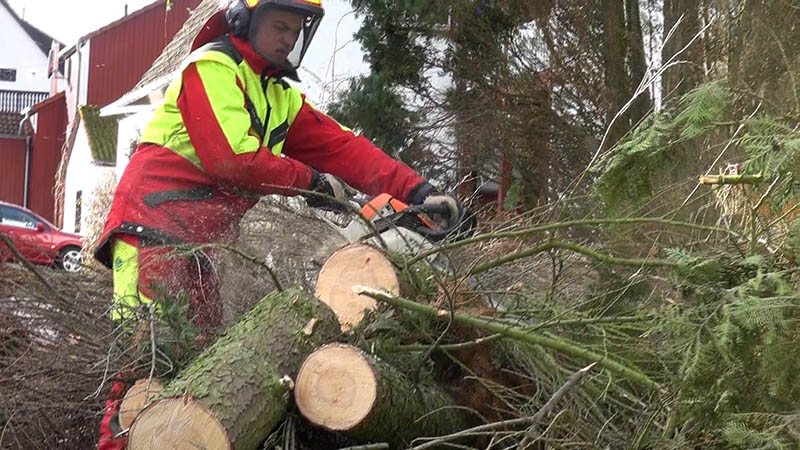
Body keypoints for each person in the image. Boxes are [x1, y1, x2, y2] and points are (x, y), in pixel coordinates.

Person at [94, 0, 466, 448]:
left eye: (295, 29)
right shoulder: (211, 68)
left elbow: (344, 147)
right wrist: (310, 181)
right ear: (244, 20)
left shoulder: (279, 95)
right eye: (278, 25)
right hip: (151, 226)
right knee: (142, 362)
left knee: (199, 366)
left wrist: (417, 191)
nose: (288, 37)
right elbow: (233, 160)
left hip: (205, 245)